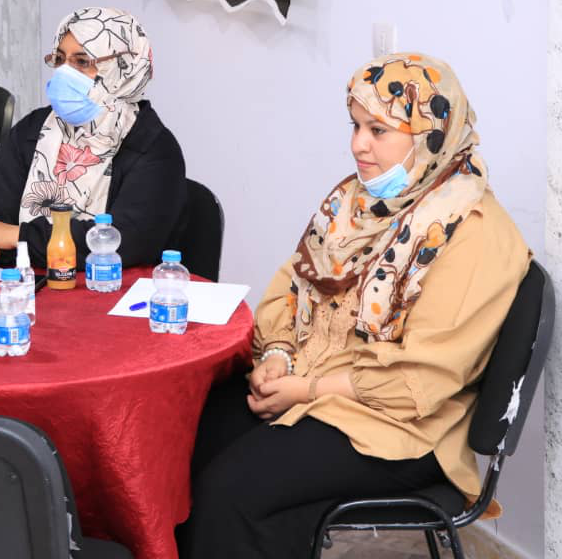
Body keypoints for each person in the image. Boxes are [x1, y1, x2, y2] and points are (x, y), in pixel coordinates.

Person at [176, 53, 530, 559]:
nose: (358, 144)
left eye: (378, 130)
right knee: (184, 441)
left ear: (430, 136)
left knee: (231, 491)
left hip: (401, 427)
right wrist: (277, 354)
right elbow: (292, 288)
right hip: (317, 383)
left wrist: (305, 390)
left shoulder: (473, 233)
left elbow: (420, 381)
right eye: (356, 125)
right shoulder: (355, 203)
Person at [0, 7, 186, 271]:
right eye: (59, 59)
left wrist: (16, 237)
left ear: (122, 69)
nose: (64, 73)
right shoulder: (34, 129)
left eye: (82, 62)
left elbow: (121, 242)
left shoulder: (154, 149)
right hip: (25, 284)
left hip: (108, 289)